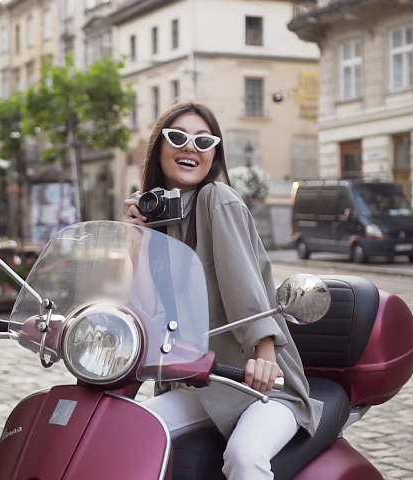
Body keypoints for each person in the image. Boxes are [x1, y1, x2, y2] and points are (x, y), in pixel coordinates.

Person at [121, 102, 323, 480]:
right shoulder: (161, 217)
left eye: (203, 140)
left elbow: (247, 285)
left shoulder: (218, 199)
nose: (190, 148)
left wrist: (265, 357)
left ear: (215, 152)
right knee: (127, 432)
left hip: (259, 383)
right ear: (159, 147)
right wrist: (138, 240)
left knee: (245, 458)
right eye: (178, 137)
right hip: (203, 385)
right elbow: (147, 310)